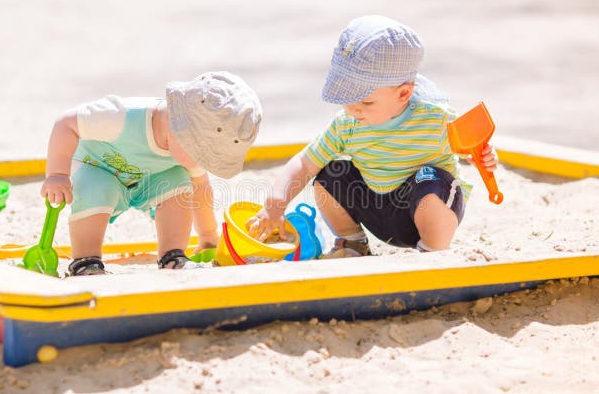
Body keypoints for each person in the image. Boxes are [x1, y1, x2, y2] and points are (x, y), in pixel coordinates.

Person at [247, 15, 497, 257]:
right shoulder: (346, 124)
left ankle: (431, 251)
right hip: (378, 212)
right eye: (346, 97)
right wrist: (275, 205)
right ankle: (352, 241)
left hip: (426, 211)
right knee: (330, 173)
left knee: (430, 179)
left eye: (366, 101)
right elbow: (304, 164)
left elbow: (473, 151)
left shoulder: (436, 119)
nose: (354, 109)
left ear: (403, 94)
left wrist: (484, 156)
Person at [41, 71, 263, 275]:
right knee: (98, 187)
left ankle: (172, 255)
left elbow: (200, 188)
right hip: (97, 168)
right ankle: (86, 261)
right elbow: (66, 124)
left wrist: (207, 235)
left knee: (178, 180)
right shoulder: (121, 116)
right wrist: (58, 174)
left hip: (146, 180)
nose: (202, 163)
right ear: (180, 131)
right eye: (202, 155)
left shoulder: (185, 152)